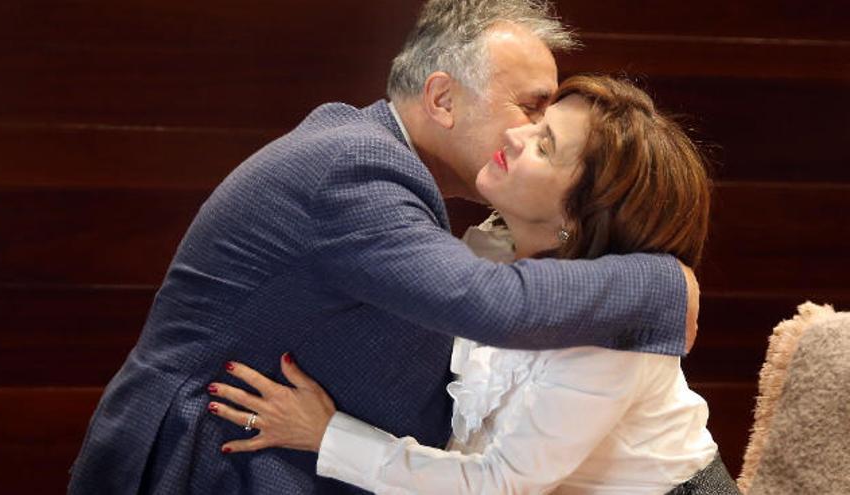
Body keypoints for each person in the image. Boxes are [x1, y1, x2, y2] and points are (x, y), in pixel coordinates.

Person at [68, 2, 700, 494]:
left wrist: (332, 435)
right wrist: (664, 284)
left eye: (543, 134)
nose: (524, 131)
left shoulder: (379, 160)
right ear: (443, 99)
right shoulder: (360, 165)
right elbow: (491, 306)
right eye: (530, 108)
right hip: (199, 455)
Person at [207, 76, 741, 494]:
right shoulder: (495, 240)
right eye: (536, 120)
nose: (514, 134)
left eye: (545, 145)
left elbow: (498, 484)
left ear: (577, 220)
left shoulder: (607, 337)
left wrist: (328, 435)